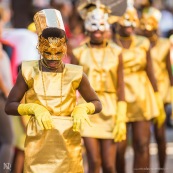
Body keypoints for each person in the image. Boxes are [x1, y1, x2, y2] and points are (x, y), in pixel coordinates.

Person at [5, 9, 102, 173]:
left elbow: (97, 103)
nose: (52, 58)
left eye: (58, 53)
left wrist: (83, 108)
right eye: (47, 53)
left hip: (68, 144)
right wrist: (32, 108)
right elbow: (10, 106)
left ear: (64, 48)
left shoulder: (76, 73)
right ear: (40, 48)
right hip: (38, 146)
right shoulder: (28, 70)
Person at [72, 2, 126, 173]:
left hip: (110, 109)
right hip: (86, 109)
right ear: (87, 26)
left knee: (109, 165)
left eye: (101, 26)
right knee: (94, 162)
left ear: (106, 27)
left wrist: (122, 114)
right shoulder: (78, 52)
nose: (97, 30)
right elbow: (71, 85)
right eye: (94, 26)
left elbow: (121, 85)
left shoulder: (117, 51)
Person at [111, 1, 165, 173]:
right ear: (116, 21)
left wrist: (157, 98)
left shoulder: (143, 42)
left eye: (133, 19)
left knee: (142, 144)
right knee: (119, 149)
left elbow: (150, 71)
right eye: (125, 19)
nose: (129, 23)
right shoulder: (110, 44)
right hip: (118, 98)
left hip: (142, 96)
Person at [139, 6, 173, 172]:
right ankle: (145, 168)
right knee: (144, 137)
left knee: (160, 135)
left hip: (161, 94)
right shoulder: (140, 45)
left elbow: (169, 69)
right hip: (143, 93)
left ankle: (161, 168)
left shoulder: (165, 44)